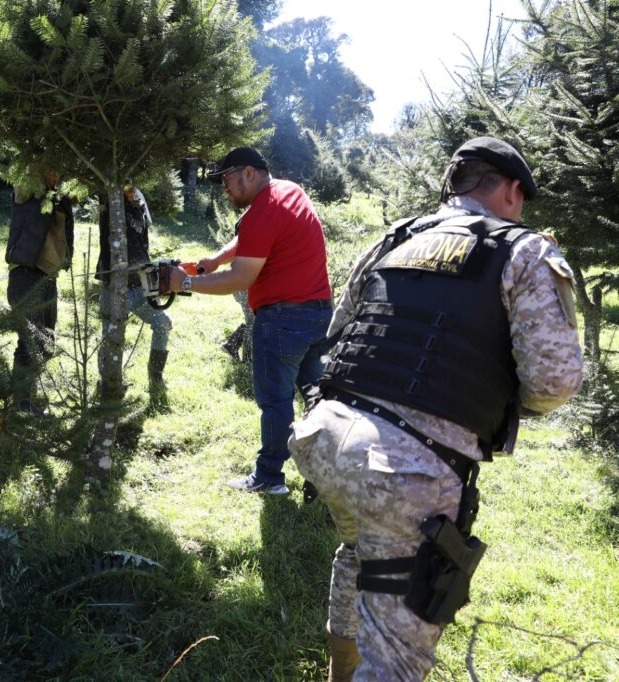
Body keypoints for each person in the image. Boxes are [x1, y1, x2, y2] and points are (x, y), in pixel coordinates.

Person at [287, 137, 583, 681]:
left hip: (323, 439)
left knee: (360, 550)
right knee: (397, 658)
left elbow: (339, 334)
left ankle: (340, 669)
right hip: (405, 473)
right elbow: (552, 384)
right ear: (513, 192)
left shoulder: (394, 238)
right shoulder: (524, 251)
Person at [166, 146, 333, 495]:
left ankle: (269, 478)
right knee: (318, 398)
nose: (224, 188)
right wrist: (213, 260)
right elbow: (250, 239)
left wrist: (185, 283)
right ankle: (328, 473)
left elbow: (240, 279)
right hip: (319, 315)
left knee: (275, 400)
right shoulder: (288, 192)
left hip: (282, 320)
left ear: (249, 173)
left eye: (227, 179)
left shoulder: (262, 211)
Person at [95, 186, 173, 406]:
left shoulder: (139, 208)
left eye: (135, 185)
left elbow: (144, 249)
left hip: (140, 284)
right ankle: (107, 383)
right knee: (110, 335)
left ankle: (155, 377)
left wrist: (152, 289)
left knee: (163, 323)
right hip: (115, 287)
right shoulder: (111, 207)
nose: (133, 188)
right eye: (127, 185)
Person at [5, 170, 74, 414]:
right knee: (29, 340)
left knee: (45, 341)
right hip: (25, 274)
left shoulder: (60, 198)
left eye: (59, 171)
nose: (56, 175)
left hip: (48, 277)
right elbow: (24, 174)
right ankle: (21, 403)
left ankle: (26, 393)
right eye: (51, 170)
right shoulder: (28, 192)